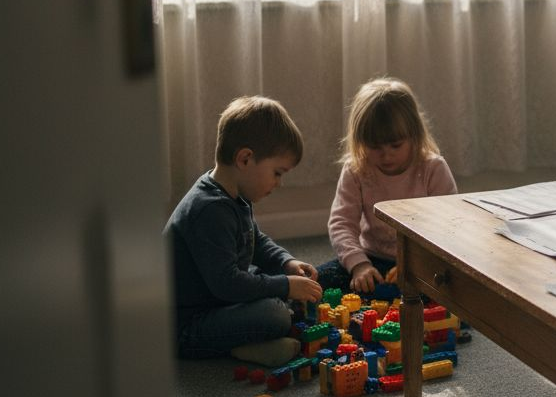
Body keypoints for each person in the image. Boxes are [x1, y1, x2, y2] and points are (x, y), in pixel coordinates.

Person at [166, 96, 324, 367]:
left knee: (271, 288)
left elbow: (255, 240)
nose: (279, 183)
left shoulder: (234, 194)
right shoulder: (210, 210)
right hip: (185, 325)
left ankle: (251, 341)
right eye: (277, 173)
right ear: (245, 159)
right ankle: (241, 346)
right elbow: (228, 283)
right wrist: (285, 286)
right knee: (275, 314)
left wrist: (286, 262)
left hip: (216, 298)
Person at [317, 77, 458, 294]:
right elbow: (341, 223)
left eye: (395, 145)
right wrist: (359, 265)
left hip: (423, 262)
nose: (386, 155)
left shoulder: (433, 168)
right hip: (371, 258)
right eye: (375, 147)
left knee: (456, 290)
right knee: (318, 281)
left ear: (415, 135)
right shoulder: (356, 170)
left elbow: (449, 227)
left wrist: (415, 265)